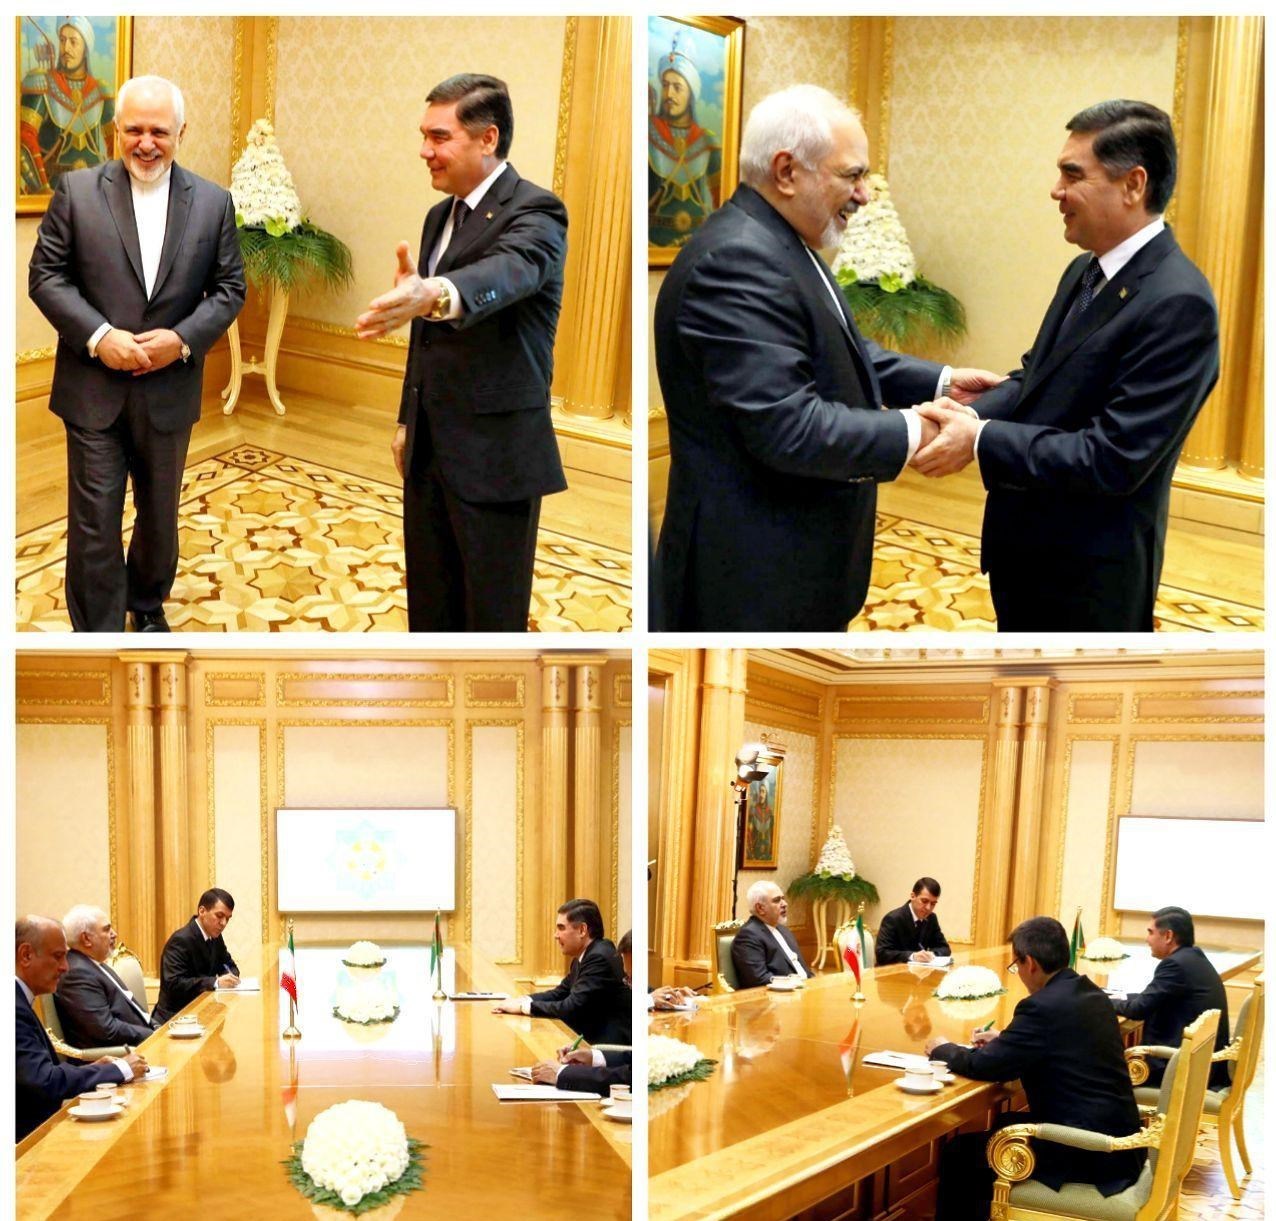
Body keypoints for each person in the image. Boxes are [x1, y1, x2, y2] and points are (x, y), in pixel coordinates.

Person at [651, 84, 1003, 630]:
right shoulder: (739, 260)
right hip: (752, 571)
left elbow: (838, 349)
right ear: (787, 171)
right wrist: (918, 431)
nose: (864, 195)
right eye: (852, 175)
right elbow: (789, 427)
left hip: (790, 554)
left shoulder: (780, 239)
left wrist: (942, 383)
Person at [911, 100, 1219, 631]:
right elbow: (1038, 375)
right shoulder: (1084, 270)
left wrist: (979, 439)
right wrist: (968, 411)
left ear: (1133, 184)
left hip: (1090, 579)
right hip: (1023, 551)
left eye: (1073, 175)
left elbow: (1114, 459)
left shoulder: (1178, 303)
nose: (1056, 191)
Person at [28, 74, 245, 633]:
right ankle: (96, 633)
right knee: (94, 520)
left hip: (169, 390)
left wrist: (183, 339)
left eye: (159, 132)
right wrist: (101, 336)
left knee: (159, 515)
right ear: (115, 131)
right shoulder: (76, 192)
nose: (146, 143)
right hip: (92, 390)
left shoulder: (214, 203)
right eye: (134, 130)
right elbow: (46, 276)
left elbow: (230, 289)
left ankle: (147, 605)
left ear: (181, 134)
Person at [355, 73, 568, 632]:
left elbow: (510, 271)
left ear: (488, 138)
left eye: (439, 137)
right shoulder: (439, 215)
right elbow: (426, 338)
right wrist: (408, 420)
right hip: (430, 446)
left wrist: (436, 293)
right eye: (424, 136)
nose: (424, 150)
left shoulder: (537, 211)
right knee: (431, 605)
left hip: (496, 454)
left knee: (491, 618)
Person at [926, 917, 1144, 1219]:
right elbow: (1063, 1040)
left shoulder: (1040, 1007)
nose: (1018, 974)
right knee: (1004, 1122)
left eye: (1016, 965)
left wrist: (942, 1049)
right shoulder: (1091, 993)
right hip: (1120, 1144)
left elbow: (986, 1065)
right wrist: (1006, 1040)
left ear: (1029, 963)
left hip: (1088, 1151)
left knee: (961, 1153)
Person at [16, 916, 146, 1141]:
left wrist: (93, 1068)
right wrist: (120, 1069)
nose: (65, 967)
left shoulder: (18, 999)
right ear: (26, 955)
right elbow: (44, 1081)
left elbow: (35, 1073)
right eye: (58, 956)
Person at [1111, 905, 1230, 1088]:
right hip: (1203, 1064)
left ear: (1168, 936)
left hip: (1178, 1069)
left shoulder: (1175, 965)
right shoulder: (1193, 958)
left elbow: (1137, 1010)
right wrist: (1118, 996)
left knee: (1105, 1075)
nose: (1147, 939)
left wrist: (1099, 1000)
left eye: (1150, 932)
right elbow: (1154, 997)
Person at [492, 899, 630, 1044]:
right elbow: (560, 993)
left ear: (582, 930)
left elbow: (571, 1007)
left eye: (561, 928)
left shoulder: (598, 958)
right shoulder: (586, 955)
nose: (556, 935)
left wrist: (523, 1007)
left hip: (611, 1048)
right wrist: (522, 1000)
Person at [19, 17, 115, 195]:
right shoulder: (41, 83)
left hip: (95, 193)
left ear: (85, 48)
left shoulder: (102, 91)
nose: (66, 48)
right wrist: (42, 189)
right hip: (54, 192)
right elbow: (23, 138)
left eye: (73, 42)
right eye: (62, 40)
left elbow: (117, 143)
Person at [533, 930, 634, 1094]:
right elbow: (631, 1058)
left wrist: (562, 1073)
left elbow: (630, 1077)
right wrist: (592, 1057)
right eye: (628, 979)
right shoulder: (580, 960)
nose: (629, 987)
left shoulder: (599, 956)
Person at [648, 31, 722, 247]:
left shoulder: (708, 142)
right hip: (653, 243)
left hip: (699, 245)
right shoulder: (648, 134)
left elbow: (721, 203)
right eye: (665, 85)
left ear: (691, 93)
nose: (669, 94)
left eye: (677, 87)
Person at [54, 905, 156, 1048]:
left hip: (140, 1042)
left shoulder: (94, 964)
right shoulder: (77, 974)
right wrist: (154, 1035)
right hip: (117, 1055)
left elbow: (137, 1012)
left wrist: (158, 1028)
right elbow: (106, 1030)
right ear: (86, 939)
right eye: (107, 929)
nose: (114, 934)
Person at [152, 888, 240, 1024]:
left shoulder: (215, 937)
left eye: (227, 919)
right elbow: (174, 984)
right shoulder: (181, 940)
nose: (223, 923)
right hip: (175, 1018)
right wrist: (216, 982)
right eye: (219, 916)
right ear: (202, 911)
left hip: (204, 1013)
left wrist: (230, 976)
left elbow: (228, 964)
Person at [731, 880, 813, 988]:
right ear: (760, 908)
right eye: (777, 900)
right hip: (780, 995)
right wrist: (795, 984)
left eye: (783, 899)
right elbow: (759, 979)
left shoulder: (783, 930)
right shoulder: (748, 936)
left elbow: (802, 969)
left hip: (805, 989)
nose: (784, 904)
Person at [875, 877, 952, 965]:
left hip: (921, 970)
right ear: (913, 896)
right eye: (924, 901)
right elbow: (882, 954)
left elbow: (944, 948)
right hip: (892, 970)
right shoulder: (893, 919)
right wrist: (912, 956)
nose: (928, 908)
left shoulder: (931, 918)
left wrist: (931, 954)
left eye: (933, 903)